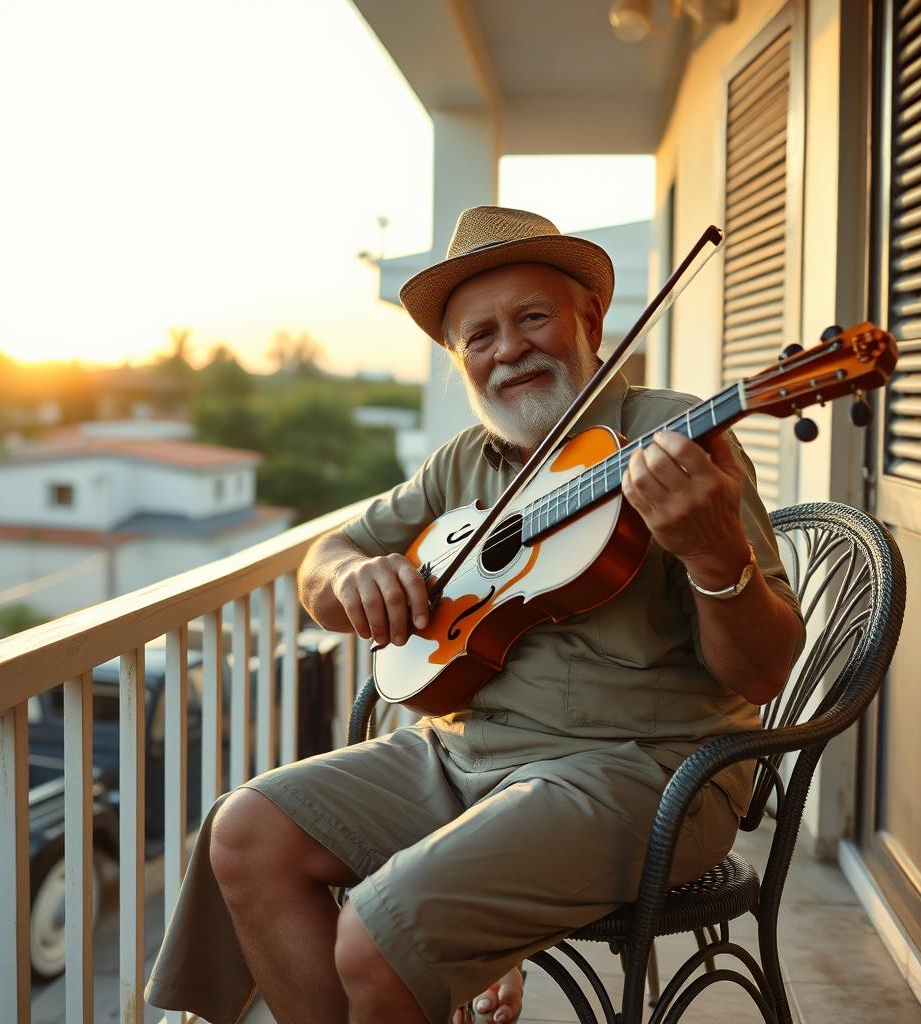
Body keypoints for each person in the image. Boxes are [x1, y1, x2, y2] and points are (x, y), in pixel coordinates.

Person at [145, 206, 805, 1024]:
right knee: (246, 831)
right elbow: (322, 561)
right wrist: (355, 575)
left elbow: (765, 671)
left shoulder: (674, 439)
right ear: (459, 358)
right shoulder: (463, 461)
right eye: (478, 337)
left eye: (532, 318)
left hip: (642, 771)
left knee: (379, 932)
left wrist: (714, 557)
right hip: (462, 754)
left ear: (591, 321)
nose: (509, 350)